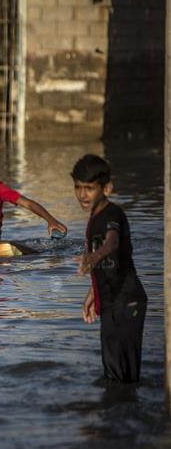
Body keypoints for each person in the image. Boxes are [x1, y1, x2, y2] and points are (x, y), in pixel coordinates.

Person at [72, 154, 147, 383]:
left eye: (89, 188)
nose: (82, 195)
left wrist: (93, 257)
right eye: (78, 187)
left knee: (124, 373)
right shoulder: (94, 217)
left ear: (107, 188)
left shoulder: (112, 214)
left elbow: (111, 243)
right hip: (111, 302)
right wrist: (92, 293)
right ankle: (116, 413)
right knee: (113, 370)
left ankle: (128, 412)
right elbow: (110, 265)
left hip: (128, 302)